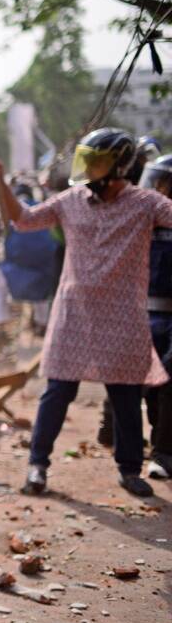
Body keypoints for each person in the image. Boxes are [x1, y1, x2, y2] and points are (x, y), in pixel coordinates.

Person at [0, 128, 172, 498]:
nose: (87, 170)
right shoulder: (71, 200)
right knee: (57, 392)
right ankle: (37, 465)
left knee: (125, 397)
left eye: (96, 162)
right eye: (85, 161)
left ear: (119, 166)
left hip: (123, 317)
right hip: (75, 315)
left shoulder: (147, 204)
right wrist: (0, 183)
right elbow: (22, 218)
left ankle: (129, 468)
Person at [139, 153, 172, 479]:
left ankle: (163, 453)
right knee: (149, 386)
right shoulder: (142, 222)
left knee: (169, 382)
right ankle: (154, 442)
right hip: (146, 314)